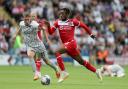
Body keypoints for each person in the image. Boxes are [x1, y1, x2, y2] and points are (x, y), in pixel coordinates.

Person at [43, 8, 102, 83]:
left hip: (71, 43)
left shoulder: (73, 21)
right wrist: (48, 26)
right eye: (60, 13)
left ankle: (64, 72)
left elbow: (84, 26)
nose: (60, 15)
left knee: (57, 52)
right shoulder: (57, 22)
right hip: (67, 45)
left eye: (62, 13)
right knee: (81, 62)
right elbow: (51, 32)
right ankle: (96, 71)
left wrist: (91, 34)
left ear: (67, 15)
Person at [12, 12, 59, 81]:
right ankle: (37, 73)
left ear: (30, 19)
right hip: (29, 45)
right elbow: (20, 28)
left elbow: (43, 28)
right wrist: (15, 36)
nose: (26, 21)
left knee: (47, 61)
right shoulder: (21, 23)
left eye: (27, 19)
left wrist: (47, 38)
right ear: (24, 19)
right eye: (25, 19)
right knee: (30, 55)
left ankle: (56, 69)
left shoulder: (34, 24)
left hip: (38, 44)